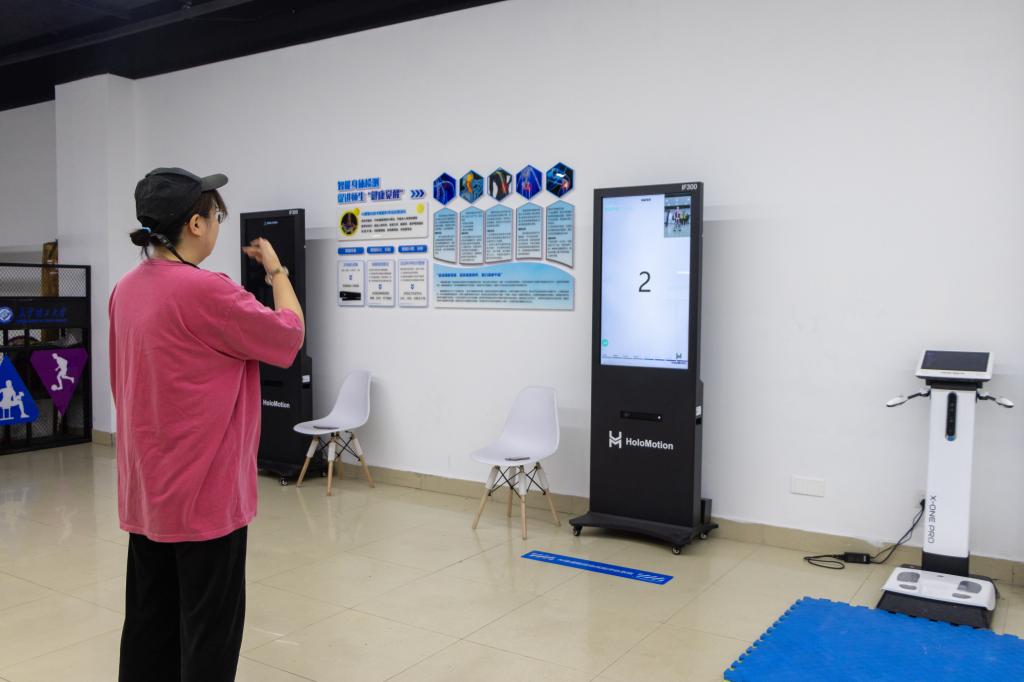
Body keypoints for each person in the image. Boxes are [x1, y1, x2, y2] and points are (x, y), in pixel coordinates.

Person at [110, 167, 305, 682]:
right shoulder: (208, 291)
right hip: (206, 499)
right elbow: (288, 337)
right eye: (216, 215)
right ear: (195, 225)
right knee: (208, 635)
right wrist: (277, 273)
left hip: (148, 492)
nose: (218, 223)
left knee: (149, 627)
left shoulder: (124, 289)